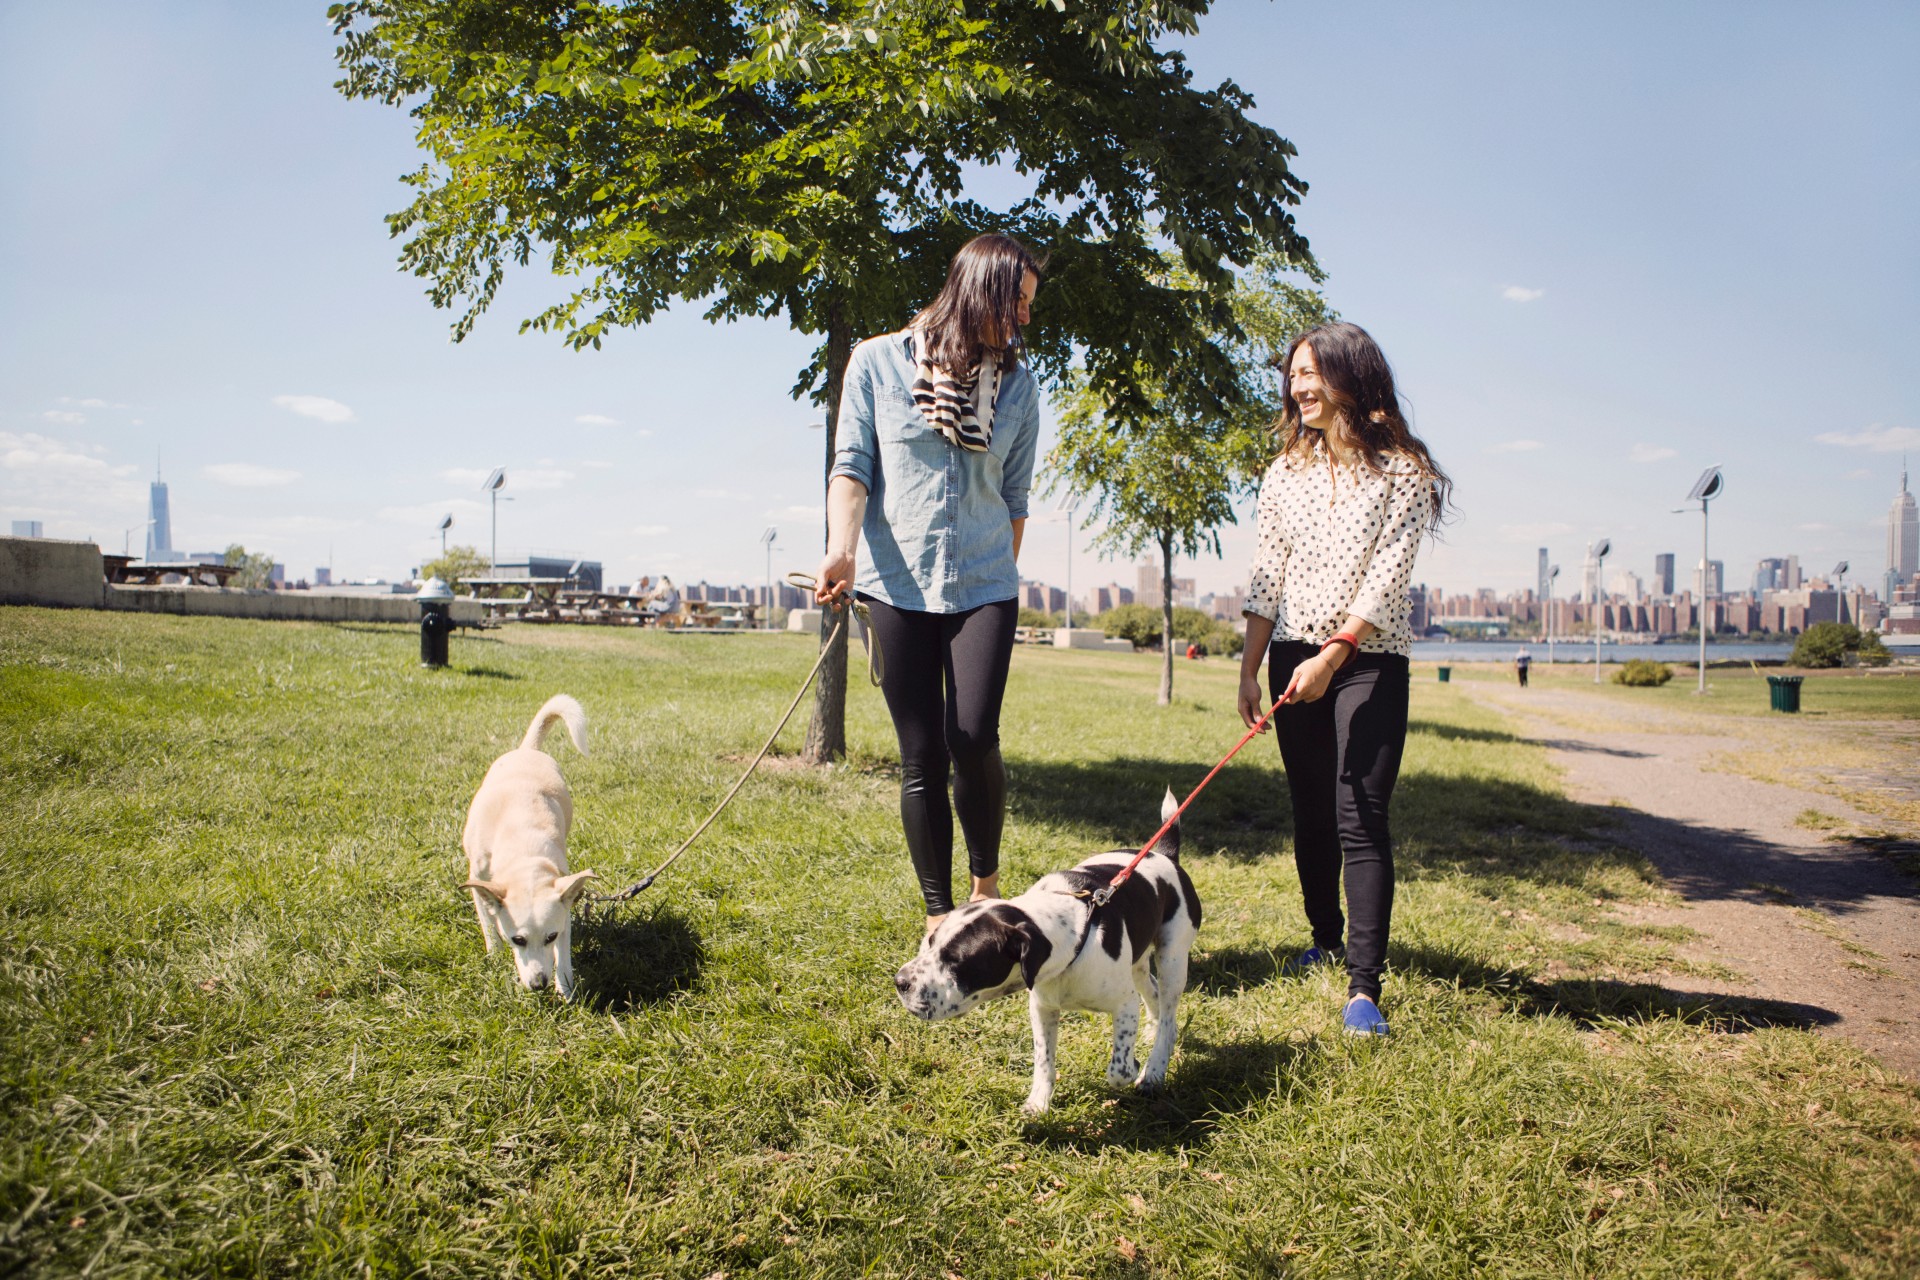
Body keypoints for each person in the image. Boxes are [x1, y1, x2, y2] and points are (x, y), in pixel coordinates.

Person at [814, 234, 1044, 933]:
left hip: (983, 584)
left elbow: (1015, 498)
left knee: (973, 735)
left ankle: (986, 884)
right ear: (982, 291)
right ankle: (940, 915)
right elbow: (852, 466)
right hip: (894, 584)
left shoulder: (1021, 388)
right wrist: (840, 550)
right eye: (1019, 304)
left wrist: (996, 577)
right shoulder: (877, 364)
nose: (1026, 321)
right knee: (921, 756)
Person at [1236, 321, 1450, 1038]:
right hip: (1291, 654)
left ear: (1353, 380)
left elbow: (1388, 580)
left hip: (1368, 658)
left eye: (1312, 373)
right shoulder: (1283, 474)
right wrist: (1249, 667)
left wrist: (1335, 656)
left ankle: (1363, 987)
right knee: (1310, 809)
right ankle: (1323, 938)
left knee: (1360, 811)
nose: (1298, 387)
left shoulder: (1405, 475)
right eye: (1293, 374)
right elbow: (1268, 575)